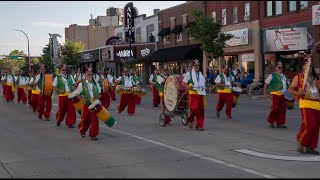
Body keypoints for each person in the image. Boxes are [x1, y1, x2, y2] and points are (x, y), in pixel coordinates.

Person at [288, 57, 320, 155]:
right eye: (307, 65)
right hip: (306, 103)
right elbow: (290, 89)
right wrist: (298, 93)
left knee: (316, 127)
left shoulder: (315, 78)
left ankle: (310, 147)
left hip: (317, 104)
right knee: (310, 124)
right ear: (303, 66)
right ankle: (301, 142)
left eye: (310, 66)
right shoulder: (299, 77)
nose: (309, 68)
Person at [75, 67, 101, 140]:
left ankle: (93, 134)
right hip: (86, 104)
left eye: (91, 74)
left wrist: (97, 98)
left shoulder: (96, 84)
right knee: (85, 119)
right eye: (88, 74)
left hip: (94, 105)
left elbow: (100, 94)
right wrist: (82, 99)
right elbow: (77, 94)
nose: (90, 75)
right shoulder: (81, 84)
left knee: (95, 120)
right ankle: (82, 130)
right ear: (85, 75)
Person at [263, 61, 290, 128]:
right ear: (276, 68)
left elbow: (289, 85)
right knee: (275, 108)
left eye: (281, 67)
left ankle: (280, 123)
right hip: (275, 94)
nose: (280, 68)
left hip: (284, 94)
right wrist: (265, 94)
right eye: (279, 67)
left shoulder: (285, 76)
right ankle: (271, 121)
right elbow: (266, 85)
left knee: (283, 109)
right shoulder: (272, 75)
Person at [182, 59, 206, 131]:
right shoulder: (189, 73)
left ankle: (200, 125)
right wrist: (188, 86)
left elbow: (202, 83)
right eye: (195, 66)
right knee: (194, 108)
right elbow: (183, 83)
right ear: (193, 66)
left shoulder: (201, 74)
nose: (197, 67)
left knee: (201, 110)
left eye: (198, 65)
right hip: (193, 93)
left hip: (200, 93)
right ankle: (190, 119)